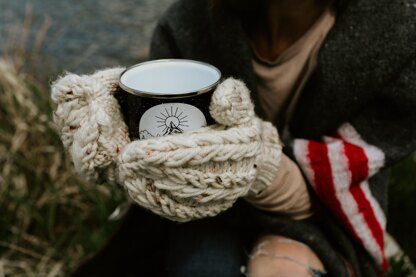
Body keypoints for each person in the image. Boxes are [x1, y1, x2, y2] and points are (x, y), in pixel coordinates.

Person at [61, 0, 415, 276]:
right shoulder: (189, 21)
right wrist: (114, 125)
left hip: (323, 212)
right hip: (203, 203)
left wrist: (254, 161)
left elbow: (345, 174)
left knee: (282, 272)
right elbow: (157, 149)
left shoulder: (396, 33)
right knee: (202, 269)